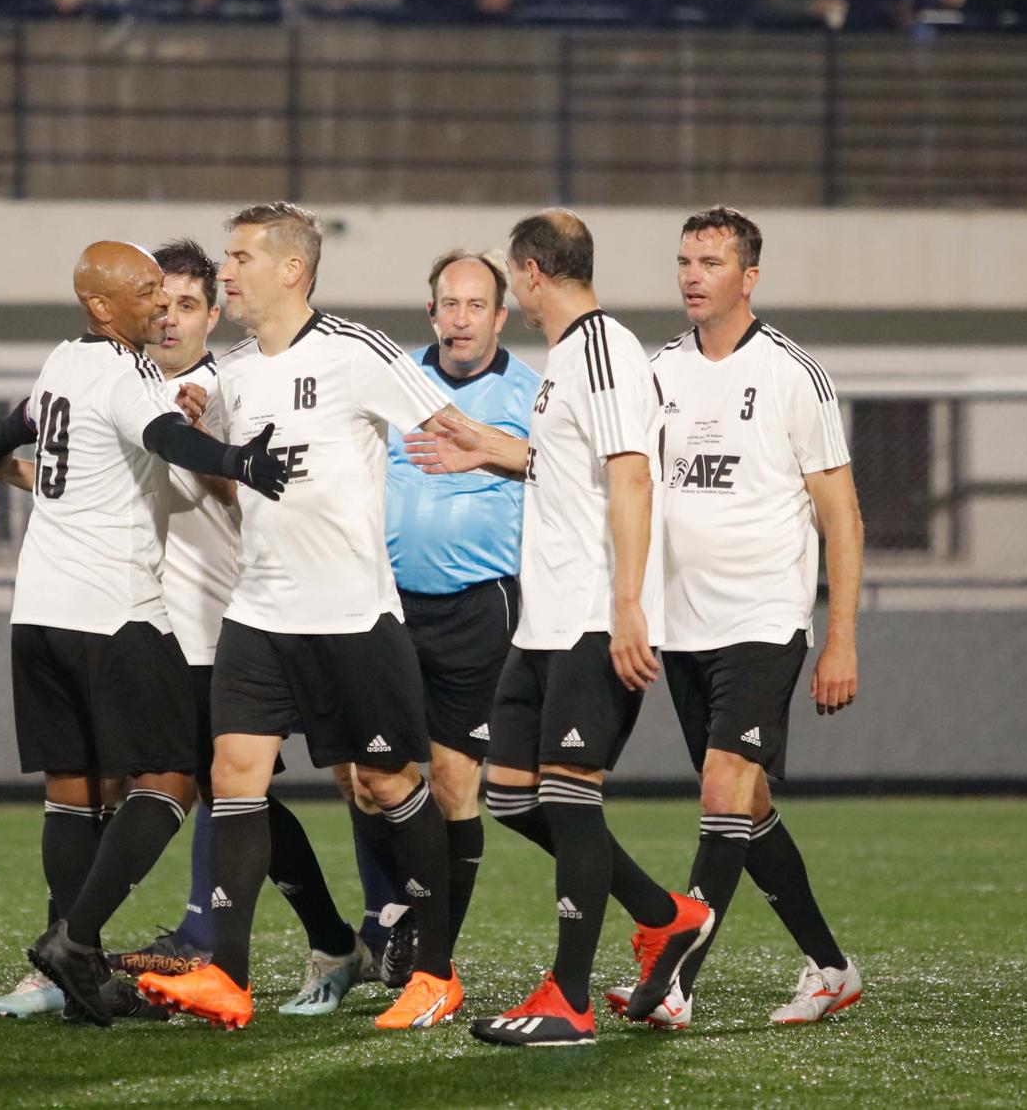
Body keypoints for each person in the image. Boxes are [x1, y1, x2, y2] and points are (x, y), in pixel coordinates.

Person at [137, 203, 466, 1033]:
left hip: (353, 616)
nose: (228, 272)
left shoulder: (358, 352)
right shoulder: (234, 373)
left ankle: (434, 972)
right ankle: (226, 973)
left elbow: (447, 426)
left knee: (387, 784)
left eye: (241, 256)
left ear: (292, 268)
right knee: (234, 775)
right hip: (259, 612)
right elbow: (199, 443)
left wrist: (519, 465)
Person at [0, 241, 290, 1027]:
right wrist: (239, 458)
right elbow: (166, 440)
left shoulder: (61, 361)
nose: (160, 303)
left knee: (72, 794)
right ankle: (75, 943)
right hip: (114, 611)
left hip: (38, 612)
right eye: (146, 291)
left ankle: (73, 977)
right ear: (103, 308)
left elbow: (15, 426)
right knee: (173, 774)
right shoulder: (125, 371)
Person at [406, 209, 713, 1048]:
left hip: (588, 617)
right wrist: (491, 449)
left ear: (531, 274)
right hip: (544, 625)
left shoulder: (605, 347)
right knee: (510, 795)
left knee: (573, 798)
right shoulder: (569, 357)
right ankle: (665, 915)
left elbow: (631, 477)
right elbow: (570, 467)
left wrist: (625, 605)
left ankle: (568, 999)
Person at [598, 206, 864, 1031]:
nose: (691, 274)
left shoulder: (792, 374)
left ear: (749, 277)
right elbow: (629, 484)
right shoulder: (658, 370)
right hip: (682, 628)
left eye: (710, 261)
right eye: (684, 260)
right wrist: (632, 602)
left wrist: (841, 636)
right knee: (742, 809)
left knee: (722, 785)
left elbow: (842, 516)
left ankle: (672, 980)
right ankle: (830, 966)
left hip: (763, 619)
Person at [91, 240, 367, 1020]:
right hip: (149, 629)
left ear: (214, 312)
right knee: (213, 793)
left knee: (203, 789)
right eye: (160, 303)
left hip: (224, 628)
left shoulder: (232, 387)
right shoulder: (126, 389)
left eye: (187, 304)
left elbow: (267, 499)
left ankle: (171, 944)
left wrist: (217, 448)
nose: (170, 317)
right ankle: (310, 937)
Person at [355, 249, 541, 977]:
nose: (460, 318)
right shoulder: (393, 380)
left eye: (475, 305)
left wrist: (497, 454)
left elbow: (569, 466)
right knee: (373, 776)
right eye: (448, 304)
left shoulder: (530, 392)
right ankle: (396, 909)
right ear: (430, 311)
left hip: (478, 610)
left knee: (456, 782)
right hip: (386, 605)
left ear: (499, 316)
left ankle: (434, 951)